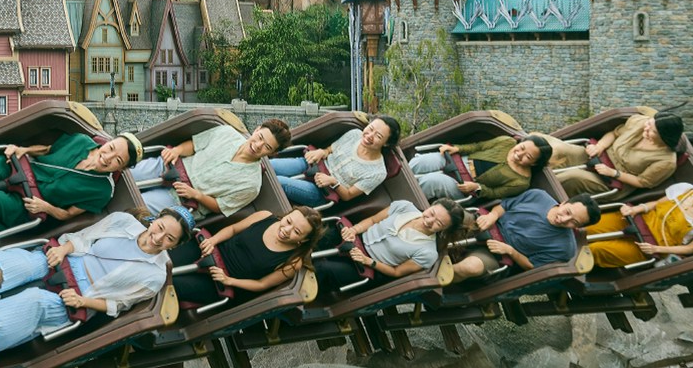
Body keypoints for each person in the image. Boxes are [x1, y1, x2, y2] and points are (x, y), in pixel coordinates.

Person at [0, 207, 191, 351]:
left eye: (169, 238)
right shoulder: (123, 221)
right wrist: (63, 250)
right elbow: (83, 238)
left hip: (83, 294)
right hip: (67, 260)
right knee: (25, 265)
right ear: (155, 219)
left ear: (175, 245)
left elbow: (118, 304)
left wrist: (83, 302)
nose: (158, 238)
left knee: (34, 301)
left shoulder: (156, 275)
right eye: (160, 227)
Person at [0, 131, 139, 237]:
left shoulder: (103, 191)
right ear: (109, 142)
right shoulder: (81, 141)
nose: (108, 157)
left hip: (27, 203)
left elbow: (67, 214)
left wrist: (46, 208)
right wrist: (24, 149)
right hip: (19, 167)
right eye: (111, 148)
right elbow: (48, 149)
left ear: (121, 168)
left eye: (117, 160)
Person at [130, 119, 293, 216]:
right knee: (129, 173)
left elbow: (221, 206)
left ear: (271, 154)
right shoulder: (227, 132)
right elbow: (195, 145)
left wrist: (197, 195)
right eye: (259, 137)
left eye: (266, 147)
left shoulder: (252, 185)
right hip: (172, 167)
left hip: (184, 198)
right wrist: (177, 150)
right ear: (257, 129)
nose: (258, 146)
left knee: (137, 206)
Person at [168, 207, 321, 306]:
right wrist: (212, 241)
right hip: (211, 252)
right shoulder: (265, 215)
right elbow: (234, 229)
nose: (287, 230)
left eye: (297, 232)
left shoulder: (294, 262)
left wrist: (229, 280)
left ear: (304, 240)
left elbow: (262, 284)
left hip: (221, 280)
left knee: (173, 283)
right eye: (288, 221)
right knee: (168, 258)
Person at [583, 171, 693, 269]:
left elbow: (691, 249)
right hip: (636, 221)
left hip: (650, 245)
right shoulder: (684, 189)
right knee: (588, 228)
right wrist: (635, 209)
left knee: (596, 250)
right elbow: (656, 204)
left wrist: (657, 250)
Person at [313, 198, 466, 293]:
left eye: (438, 223)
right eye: (431, 213)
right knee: (322, 235)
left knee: (323, 268)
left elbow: (396, 272)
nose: (429, 221)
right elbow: (373, 220)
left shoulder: (428, 253)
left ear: (444, 230)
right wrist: (353, 230)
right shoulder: (404, 206)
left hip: (365, 266)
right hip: (356, 239)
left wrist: (368, 261)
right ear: (430, 206)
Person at [451, 189, 600, 280]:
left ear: (579, 227)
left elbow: (532, 265)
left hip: (499, 252)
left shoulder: (565, 248)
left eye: (573, 222)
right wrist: (492, 216)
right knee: (449, 213)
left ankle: (437, 280)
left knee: (471, 267)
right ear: (564, 202)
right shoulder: (539, 196)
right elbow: (504, 205)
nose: (563, 219)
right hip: (488, 224)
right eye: (567, 212)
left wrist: (510, 251)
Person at [270, 116, 401, 205]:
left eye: (378, 136)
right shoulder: (355, 134)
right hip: (312, 165)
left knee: (279, 183)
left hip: (323, 191)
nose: (369, 136)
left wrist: (333, 182)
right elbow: (330, 150)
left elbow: (348, 195)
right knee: (270, 166)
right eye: (371, 129)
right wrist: (322, 152)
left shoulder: (378, 172)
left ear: (386, 143)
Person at [552, 111, 683, 196]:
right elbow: (614, 134)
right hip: (601, 154)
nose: (646, 127)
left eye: (652, 131)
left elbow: (642, 182)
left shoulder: (666, 162)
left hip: (613, 180)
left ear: (664, 137)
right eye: (649, 123)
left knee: (573, 177)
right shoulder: (640, 122)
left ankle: (542, 188)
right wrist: (599, 146)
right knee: (560, 150)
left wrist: (613, 173)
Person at [408, 135, 553, 201]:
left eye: (527, 157)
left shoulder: (521, 182)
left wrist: (477, 187)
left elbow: (495, 194)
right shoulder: (507, 142)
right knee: (422, 162)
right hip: (460, 161)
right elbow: (479, 146)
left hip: (465, 185)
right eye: (521, 148)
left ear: (534, 163)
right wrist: (457, 148)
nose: (519, 154)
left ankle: (407, 198)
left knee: (432, 181)